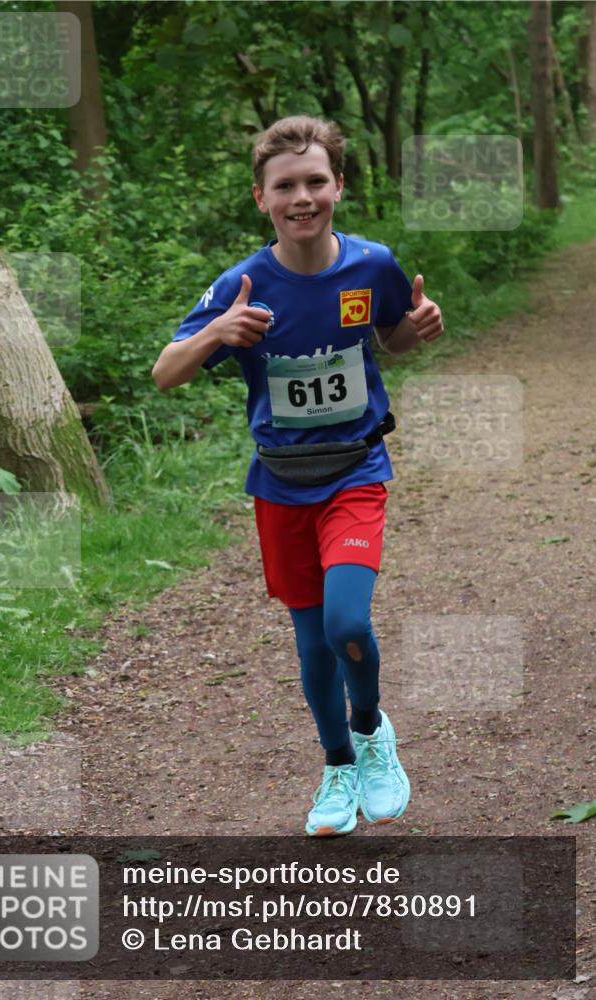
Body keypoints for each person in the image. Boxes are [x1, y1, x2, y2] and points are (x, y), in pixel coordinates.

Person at [152, 115, 444, 836]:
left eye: (316, 181)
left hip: (354, 470)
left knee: (347, 622)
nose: (302, 196)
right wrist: (218, 331)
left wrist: (418, 327)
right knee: (311, 641)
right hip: (280, 483)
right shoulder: (241, 285)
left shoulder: (372, 265)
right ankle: (336, 765)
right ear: (261, 197)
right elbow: (165, 373)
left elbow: (389, 338)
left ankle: (373, 733)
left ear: (338, 185)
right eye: (286, 186)